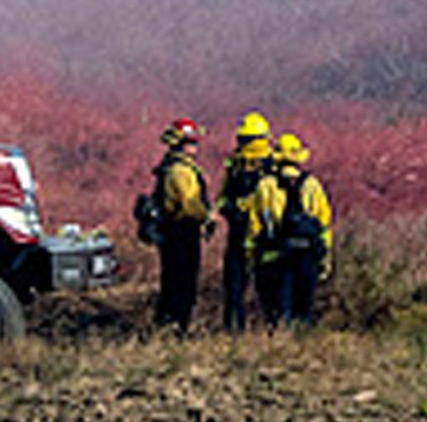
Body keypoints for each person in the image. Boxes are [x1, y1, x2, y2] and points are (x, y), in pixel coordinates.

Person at [131, 119, 210, 334]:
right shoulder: (180, 172)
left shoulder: (173, 167)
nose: (195, 146)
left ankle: (169, 325)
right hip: (182, 232)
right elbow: (189, 205)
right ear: (180, 143)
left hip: (174, 233)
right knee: (182, 283)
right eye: (191, 142)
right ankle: (176, 327)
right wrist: (207, 217)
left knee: (174, 280)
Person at [259, 132, 333, 327]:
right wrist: (325, 256)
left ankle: (282, 349)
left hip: (278, 257)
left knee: (280, 312)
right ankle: (303, 349)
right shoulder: (312, 185)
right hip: (308, 256)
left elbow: (256, 225)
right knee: (304, 310)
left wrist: (254, 257)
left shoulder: (266, 185)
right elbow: (324, 221)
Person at [217, 112, 276, 333]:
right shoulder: (235, 165)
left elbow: (270, 199)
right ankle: (233, 331)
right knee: (233, 284)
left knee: (267, 285)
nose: (244, 145)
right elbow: (224, 194)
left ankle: (272, 330)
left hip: (264, 234)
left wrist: (243, 206)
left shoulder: (273, 166)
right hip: (238, 231)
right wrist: (224, 208)